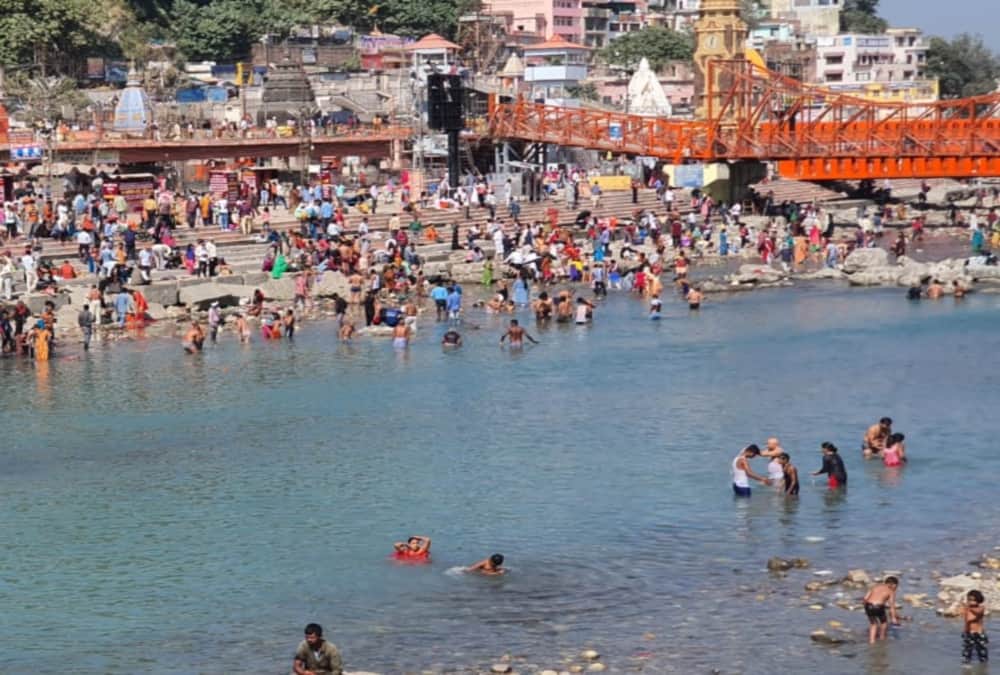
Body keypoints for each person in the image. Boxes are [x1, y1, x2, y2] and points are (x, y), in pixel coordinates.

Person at [863, 576, 900, 644]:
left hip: (868, 605)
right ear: (893, 584)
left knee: (873, 624)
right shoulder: (890, 591)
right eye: (896, 586)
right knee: (884, 623)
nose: (896, 588)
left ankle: (872, 641)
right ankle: (882, 638)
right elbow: (891, 606)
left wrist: (866, 609)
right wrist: (893, 618)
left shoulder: (875, 587)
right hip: (878, 606)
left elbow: (865, 598)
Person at [962, 590, 988, 664]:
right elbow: (967, 621)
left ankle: (983, 665)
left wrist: (968, 608)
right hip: (969, 633)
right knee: (967, 651)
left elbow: (978, 613)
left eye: (973, 600)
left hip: (979, 633)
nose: (971, 602)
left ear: (978, 601)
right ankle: (966, 665)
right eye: (969, 600)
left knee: (982, 651)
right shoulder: (967, 609)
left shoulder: (981, 608)